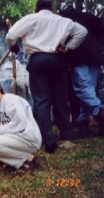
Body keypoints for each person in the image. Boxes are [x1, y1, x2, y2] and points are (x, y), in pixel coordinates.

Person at [5, 0, 88, 153]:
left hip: (37, 61)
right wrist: (68, 48)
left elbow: (10, 35)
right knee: (60, 98)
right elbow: (82, 31)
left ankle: (48, 138)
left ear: (37, 8)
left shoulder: (31, 18)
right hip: (57, 60)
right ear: (52, 8)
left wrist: (13, 45)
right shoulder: (62, 20)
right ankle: (66, 134)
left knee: (41, 100)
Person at [59, 1, 104, 136]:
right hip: (96, 57)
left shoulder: (64, 23)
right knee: (90, 87)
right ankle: (83, 119)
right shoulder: (89, 17)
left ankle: (99, 111)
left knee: (83, 88)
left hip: (79, 58)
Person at [0, 78, 41, 171]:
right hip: (19, 138)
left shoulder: (9, 99)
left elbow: (20, 122)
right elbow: (9, 122)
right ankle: (9, 160)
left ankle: (27, 158)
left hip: (29, 139)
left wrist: (0, 130)